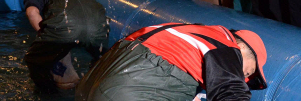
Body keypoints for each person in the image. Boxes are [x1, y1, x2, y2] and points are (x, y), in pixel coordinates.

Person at [76, 23, 267, 101]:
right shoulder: (226, 45)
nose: (244, 78)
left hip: (93, 84)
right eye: (248, 72)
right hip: (131, 88)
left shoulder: (192, 32)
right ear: (241, 49)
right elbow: (232, 93)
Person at [23, 0, 109, 92]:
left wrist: (47, 40)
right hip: (98, 23)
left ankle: (49, 95)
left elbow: (32, 13)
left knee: (34, 60)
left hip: (65, 24)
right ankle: (96, 91)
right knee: (101, 62)